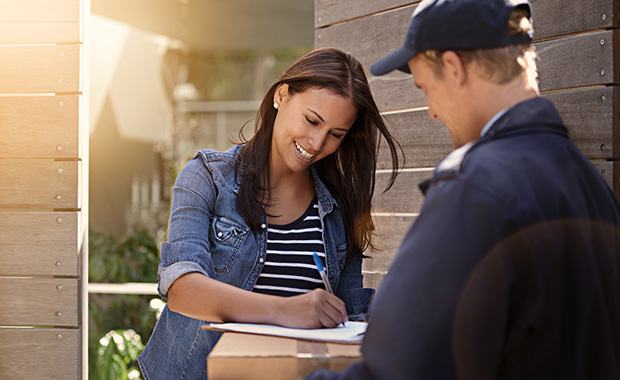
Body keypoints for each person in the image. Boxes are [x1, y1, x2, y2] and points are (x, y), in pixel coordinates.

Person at [308, 0, 620, 379]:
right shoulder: (589, 184)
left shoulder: (475, 188)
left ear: (454, 68)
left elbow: (402, 367)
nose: (432, 112)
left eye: (427, 88)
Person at [137, 47, 401, 379]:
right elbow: (182, 289)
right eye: (311, 120)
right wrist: (284, 310)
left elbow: (352, 319)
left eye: (336, 134)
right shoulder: (206, 176)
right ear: (281, 95)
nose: (317, 142)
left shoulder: (338, 208)